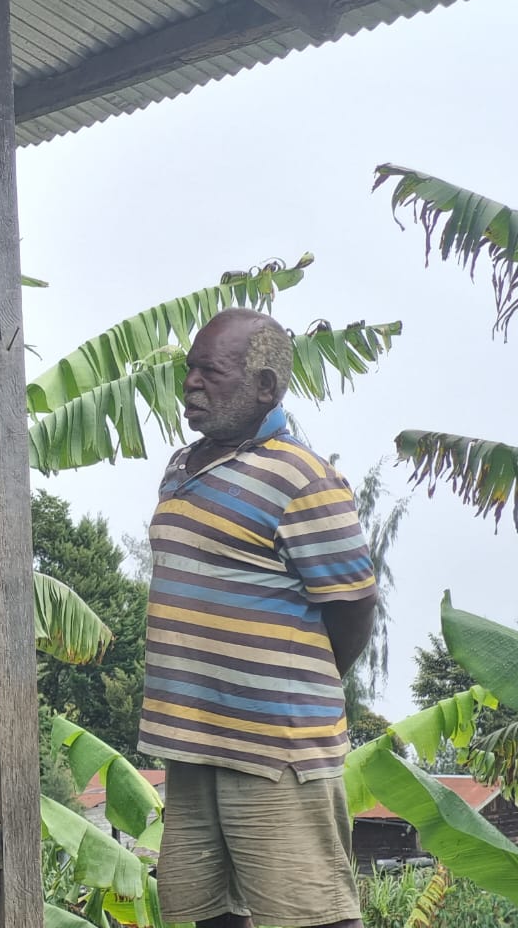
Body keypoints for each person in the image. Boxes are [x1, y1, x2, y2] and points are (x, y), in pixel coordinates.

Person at [138, 308, 378, 928]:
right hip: (193, 741)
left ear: (265, 386)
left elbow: (352, 609)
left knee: (309, 911)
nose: (190, 383)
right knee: (210, 912)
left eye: (209, 371)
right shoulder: (180, 470)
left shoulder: (304, 478)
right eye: (188, 370)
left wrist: (291, 690)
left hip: (274, 748)